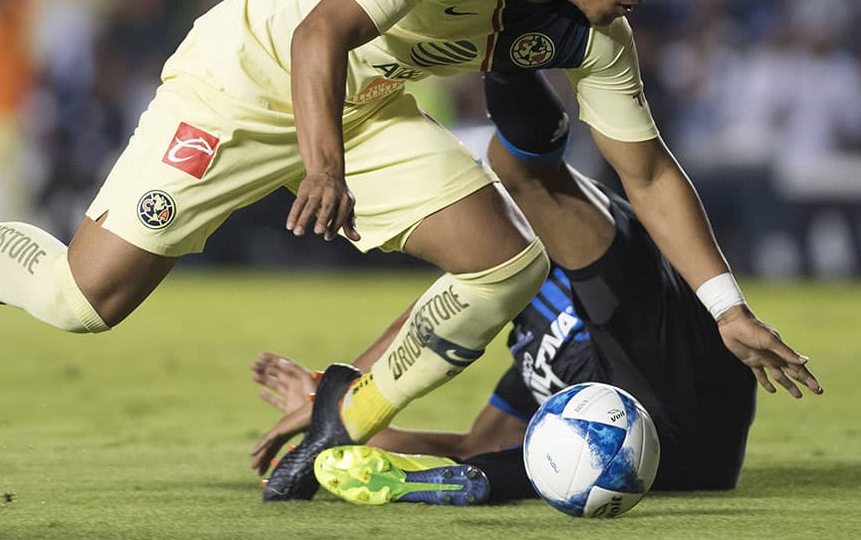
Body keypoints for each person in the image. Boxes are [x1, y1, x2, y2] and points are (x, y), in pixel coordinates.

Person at [0, 0, 820, 502]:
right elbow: (320, 32)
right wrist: (322, 166)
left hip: (360, 107)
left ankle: (341, 421)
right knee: (84, 298)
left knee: (505, 265)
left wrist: (725, 306)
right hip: (241, 84)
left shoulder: (592, 35)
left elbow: (648, 174)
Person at [249, 70, 787, 505]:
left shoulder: (603, 260)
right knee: (500, 452)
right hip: (642, 455)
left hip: (683, 399)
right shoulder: (529, 340)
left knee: (530, 177)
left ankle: (511, 58)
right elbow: (471, 440)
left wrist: (509, 57)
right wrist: (328, 412)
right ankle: (451, 482)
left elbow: (528, 170)